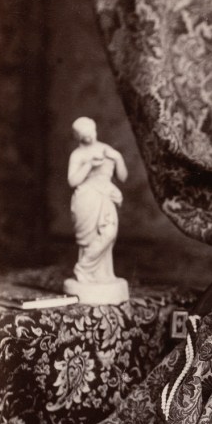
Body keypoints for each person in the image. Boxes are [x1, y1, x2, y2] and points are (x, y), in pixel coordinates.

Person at [64, 116, 129, 304]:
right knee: (90, 238)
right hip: (86, 198)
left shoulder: (106, 149)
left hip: (105, 197)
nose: (90, 138)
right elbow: (72, 181)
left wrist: (118, 157)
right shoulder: (77, 155)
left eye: (91, 133)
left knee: (109, 233)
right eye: (84, 136)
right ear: (78, 137)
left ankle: (89, 270)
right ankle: (85, 271)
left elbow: (123, 177)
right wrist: (89, 165)